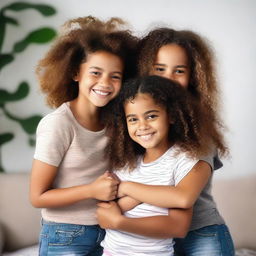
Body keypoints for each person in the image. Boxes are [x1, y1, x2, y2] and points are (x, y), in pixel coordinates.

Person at [29, 16, 138, 256]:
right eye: (96, 73)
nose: (105, 83)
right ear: (76, 73)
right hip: (65, 235)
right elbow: (37, 197)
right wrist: (91, 190)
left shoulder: (115, 122)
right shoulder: (58, 124)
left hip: (107, 233)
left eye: (115, 76)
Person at [97, 75, 219, 256]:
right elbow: (106, 212)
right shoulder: (125, 162)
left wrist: (126, 193)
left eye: (151, 116)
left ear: (171, 115)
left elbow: (179, 213)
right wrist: (144, 196)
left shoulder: (182, 159)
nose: (142, 126)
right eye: (133, 119)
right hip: (111, 251)